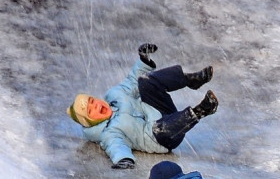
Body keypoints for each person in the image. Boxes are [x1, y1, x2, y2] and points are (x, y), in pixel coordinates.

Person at [66, 43, 218, 168]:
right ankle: (202, 110)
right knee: (159, 128)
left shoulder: (114, 96)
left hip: (160, 111)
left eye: (93, 102)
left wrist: (143, 60)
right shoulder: (109, 132)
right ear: (91, 121)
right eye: (91, 111)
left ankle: (191, 80)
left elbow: (132, 80)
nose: (97, 106)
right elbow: (116, 147)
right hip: (162, 137)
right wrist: (123, 160)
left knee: (144, 81)